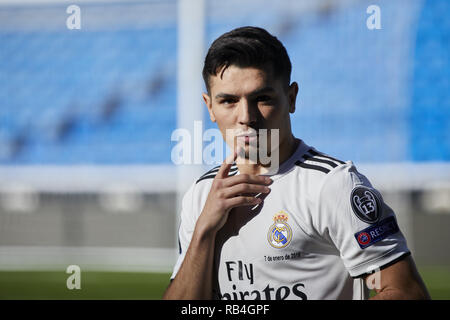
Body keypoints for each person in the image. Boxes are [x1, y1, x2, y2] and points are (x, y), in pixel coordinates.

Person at [163, 26, 430, 300]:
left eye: (262, 99)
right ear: (210, 107)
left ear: (291, 98)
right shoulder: (201, 195)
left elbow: (407, 292)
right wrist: (203, 232)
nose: (246, 116)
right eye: (229, 101)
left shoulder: (332, 185)